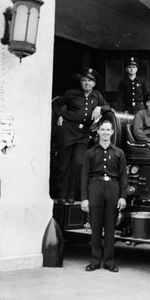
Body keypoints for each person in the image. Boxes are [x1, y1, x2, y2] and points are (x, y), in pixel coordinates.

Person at [52, 68, 111, 204]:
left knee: (78, 163)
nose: (86, 83)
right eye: (84, 80)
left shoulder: (96, 96)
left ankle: (72, 195)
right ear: (81, 81)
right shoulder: (72, 93)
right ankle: (61, 195)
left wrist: (99, 108)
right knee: (63, 164)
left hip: (83, 134)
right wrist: (59, 116)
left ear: (94, 84)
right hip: (68, 130)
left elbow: (108, 107)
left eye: (90, 81)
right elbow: (56, 103)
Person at [81, 119, 127, 272]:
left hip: (113, 189)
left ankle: (109, 261)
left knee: (110, 227)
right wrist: (84, 198)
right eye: (103, 130)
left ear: (112, 132)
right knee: (95, 226)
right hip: (95, 188)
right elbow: (84, 177)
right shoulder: (90, 153)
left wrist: (122, 197)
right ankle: (94, 261)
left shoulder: (119, 153)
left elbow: (123, 177)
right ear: (98, 132)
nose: (106, 133)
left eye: (108, 130)